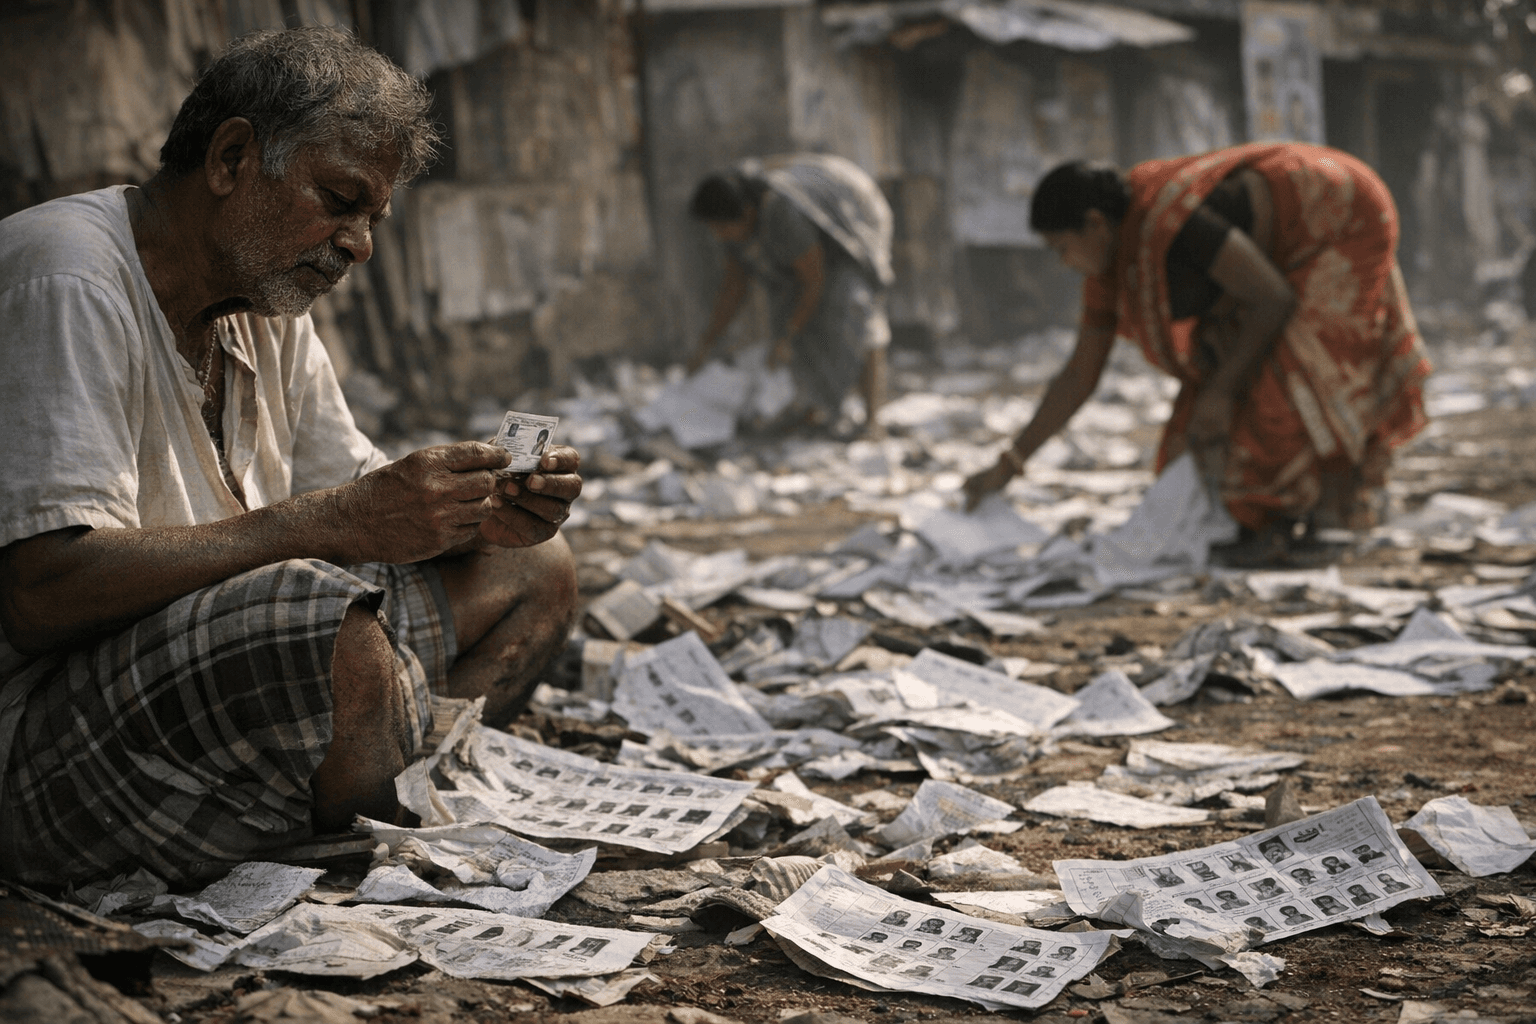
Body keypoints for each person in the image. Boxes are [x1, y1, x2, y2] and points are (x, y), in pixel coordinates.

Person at [0, 28, 582, 887]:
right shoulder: (68, 276)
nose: (359, 245)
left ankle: (371, 793)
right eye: (341, 199)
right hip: (37, 741)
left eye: (372, 219)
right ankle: (358, 836)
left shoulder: (264, 312)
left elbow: (352, 497)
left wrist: (473, 515)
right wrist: (339, 523)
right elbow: (40, 593)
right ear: (233, 157)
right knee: (322, 620)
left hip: (190, 689)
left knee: (533, 569)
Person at [964, 145, 1432, 561]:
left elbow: (1273, 299)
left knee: (1292, 380)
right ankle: (1266, 518)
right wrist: (1010, 464)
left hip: (1336, 215)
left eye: (1062, 248)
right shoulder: (1111, 264)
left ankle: (1320, 517)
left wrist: (1223, 391)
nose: (1065, 263)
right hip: (1269, 273)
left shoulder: (1176, 224)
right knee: (1194, 429)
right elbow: (1079, 375)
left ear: (1094, 223)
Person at [688, 153, 894, 438]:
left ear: (747, 213)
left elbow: (812, 280)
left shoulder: (783, 212)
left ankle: (873, 422)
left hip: (853, 215)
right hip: (813, 257)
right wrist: (706, 343)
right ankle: (815, 409)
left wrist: (788, 335)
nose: (719, 235)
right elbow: (735, 287)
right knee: (789, 318)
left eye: (722, 227)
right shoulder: (735, 227)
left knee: (855, 314)